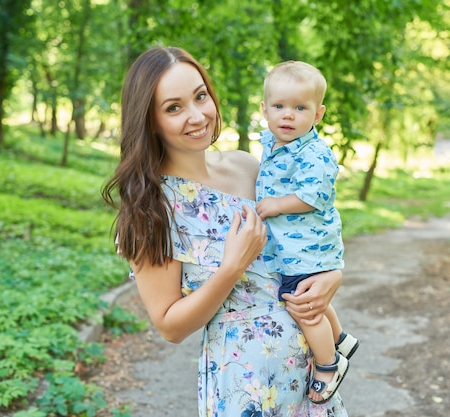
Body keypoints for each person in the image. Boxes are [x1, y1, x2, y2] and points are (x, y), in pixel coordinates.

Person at [101, 46, 349, 416]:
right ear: (149, 119)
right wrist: (230, 269)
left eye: (200, 96)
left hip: (311, 374)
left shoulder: (248, 166)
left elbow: (309, 229)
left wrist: (333, 275)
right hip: (244, 383)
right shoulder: (152, 210)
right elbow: (169, 325)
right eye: (174, 107)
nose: (197, 115)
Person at [255, 61, 359, 404]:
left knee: (303, 303)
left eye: (300, 108)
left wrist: (277, 204)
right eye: (279, 106)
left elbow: (313, 196)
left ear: (318, 114)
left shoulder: (314, 154)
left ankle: (330, 364)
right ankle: (341, 337)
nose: (288, 115)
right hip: (292, 246)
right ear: (264, 109)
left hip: (309, 246)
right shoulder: (271, 141)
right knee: (309, 292)